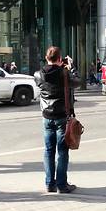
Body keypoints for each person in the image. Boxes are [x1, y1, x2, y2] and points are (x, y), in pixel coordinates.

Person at [34, 46, 80, 193]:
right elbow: (78, 82)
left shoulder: (38, 75)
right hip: (62, 117)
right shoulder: (65, 74)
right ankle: (61, 185)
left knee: (48, 151)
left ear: (46, 58)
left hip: (46, 117)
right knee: (62, 151)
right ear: (60, 59)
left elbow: (46, 81)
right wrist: (71, 67)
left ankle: (49, 183)